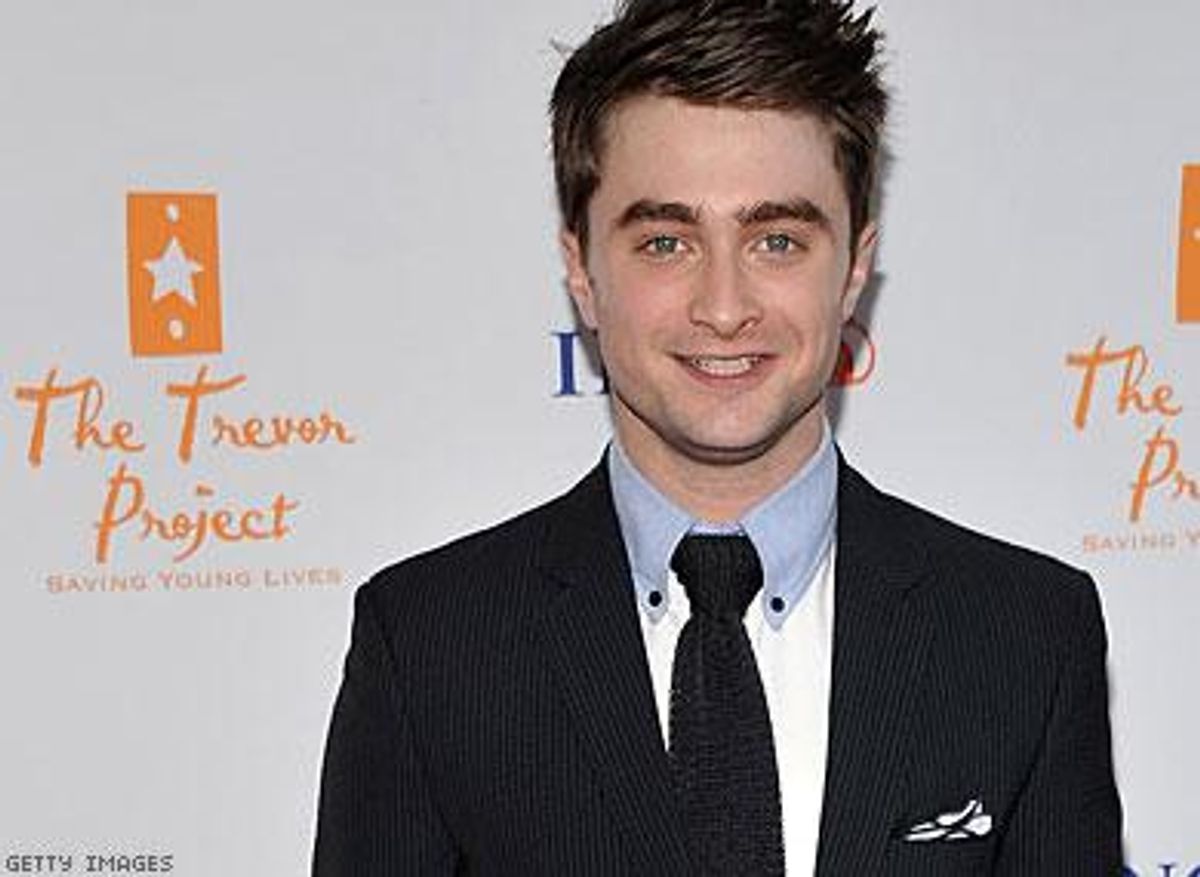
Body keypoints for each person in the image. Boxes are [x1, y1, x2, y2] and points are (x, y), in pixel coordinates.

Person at [312, 0, 1124, 873]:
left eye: (777, 240)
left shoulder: (1024, 635)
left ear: (855, 266)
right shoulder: (430, 644)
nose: (725, 307)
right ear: (581, 270)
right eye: (667, 242)